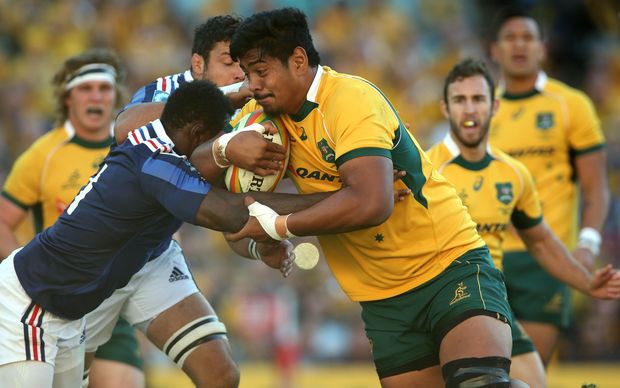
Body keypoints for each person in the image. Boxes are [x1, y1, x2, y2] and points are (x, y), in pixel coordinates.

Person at [214, 8, 518, 387]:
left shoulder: (350, 99)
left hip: (447, 265)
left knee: (480, 382)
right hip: (382, 301)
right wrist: (224, 148)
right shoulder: (263, 117)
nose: (254, 85)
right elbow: (225, 209)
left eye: (261, 71)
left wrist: (279, 224)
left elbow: (372, 204)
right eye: (247, 74)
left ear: (297, 61)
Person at [0, 80, 334, 388]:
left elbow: (233, 220)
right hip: (31, 305)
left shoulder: (158, 146)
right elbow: (233, 212)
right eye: (215, 137)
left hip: (69, 315)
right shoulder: (155, 163)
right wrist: (337, 200)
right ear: (197, 132)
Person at [426, 58, 620, 387]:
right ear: (446, 108)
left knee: (534, 382)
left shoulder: (513, 174)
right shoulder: (427, 170)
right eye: (460, 100)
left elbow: (541, 242)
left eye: (478, 100)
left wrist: (586, 282)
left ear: (494, 106)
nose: (470, 110)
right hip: (445, 303)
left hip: (493, 303)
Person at [0, 49, 147, 388]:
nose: (96, 96)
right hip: (55, 299)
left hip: (111, 298)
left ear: (116, 96)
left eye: (104, 88)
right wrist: (28, 279)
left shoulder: (136, 146)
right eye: (86, 88)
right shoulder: (43, 154)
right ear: (67, 98)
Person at [488, 7, 610, 365]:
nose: (519, 46)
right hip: (486, 257)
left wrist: (587, 244)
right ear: (493, 50)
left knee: (529, 372)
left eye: (528, 38)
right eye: (510, 38)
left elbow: (596, 187)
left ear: (544, 48)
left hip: (548, 258)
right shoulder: (479, 109)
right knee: (484, 372)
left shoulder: (571, 105)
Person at [114, 15, 287, 179]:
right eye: (228, 63)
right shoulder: (165, 90)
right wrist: (219, 99)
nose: (240, 74)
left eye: (245, 65)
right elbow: (122, 129)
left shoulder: (255, 98)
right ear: (198, 64)